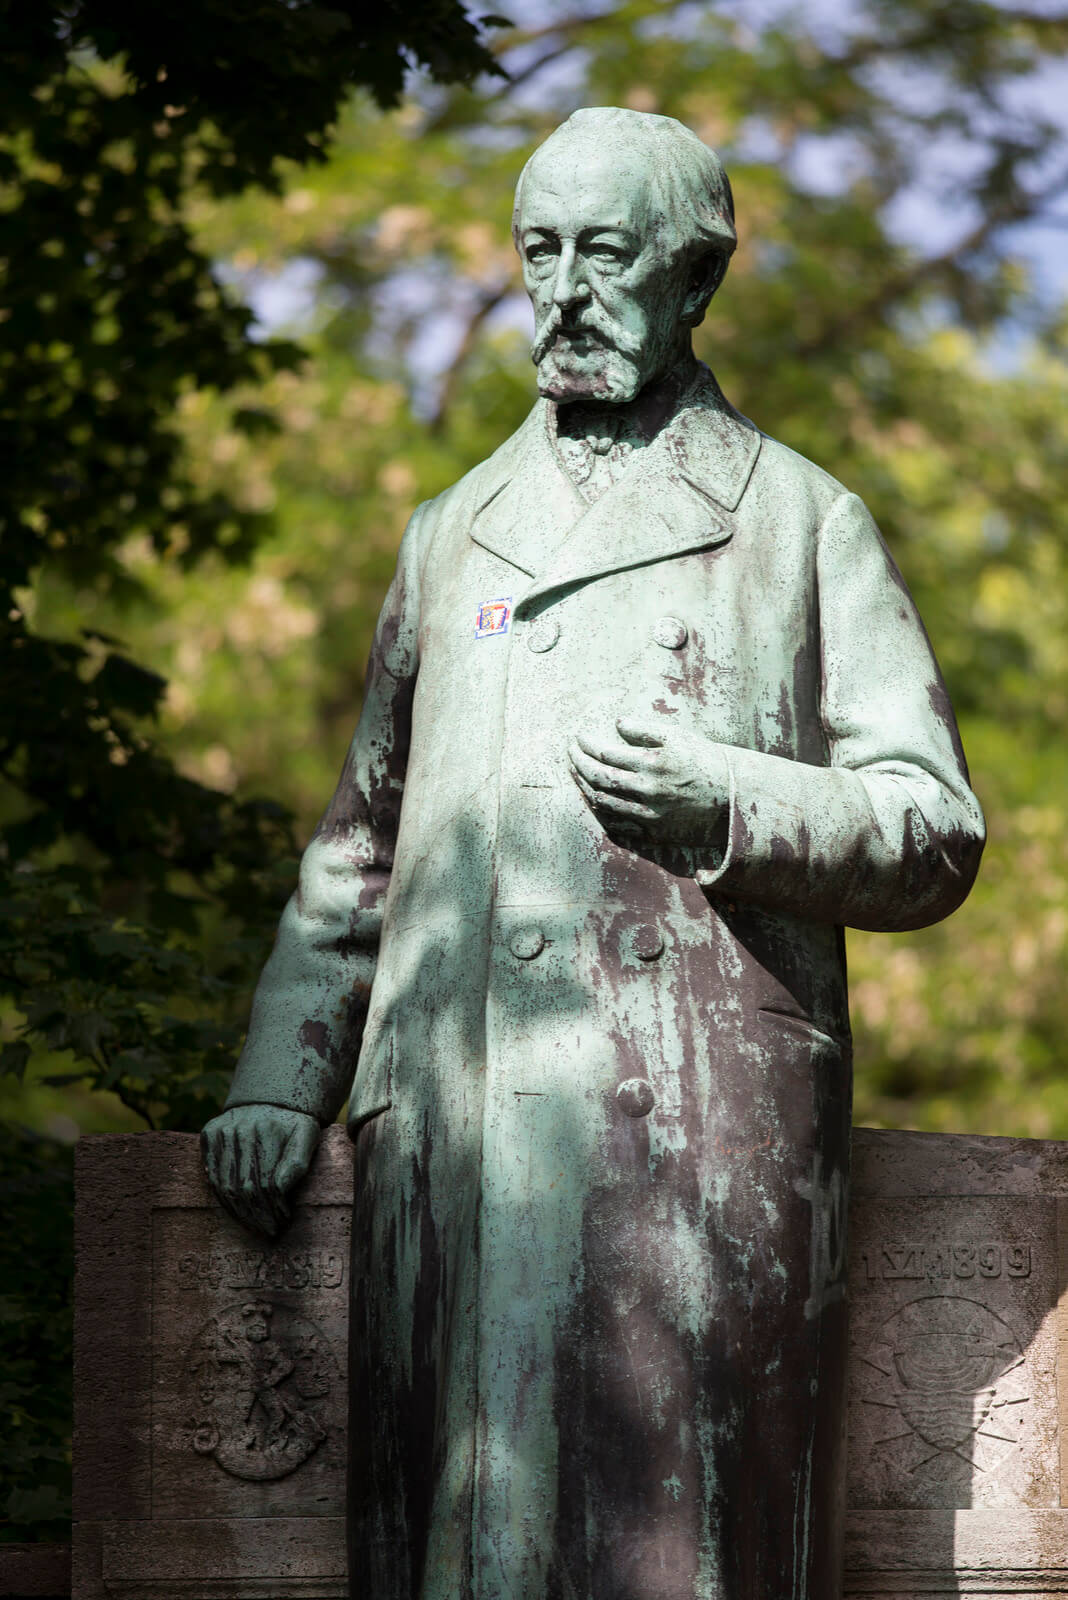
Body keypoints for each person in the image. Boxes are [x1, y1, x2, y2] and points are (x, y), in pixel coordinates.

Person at [202, 107, 984, 1600]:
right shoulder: (450, 534)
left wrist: (735, 805)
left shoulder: (801, 521)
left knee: (673, 1552)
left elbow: (932, 825)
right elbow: (357, 850)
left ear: (694, 280)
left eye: (603, 253)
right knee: (452, 1547)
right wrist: (276, 1078)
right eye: (538, 250)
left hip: (689, 1146)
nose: (560, 288)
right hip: (455, 1124)